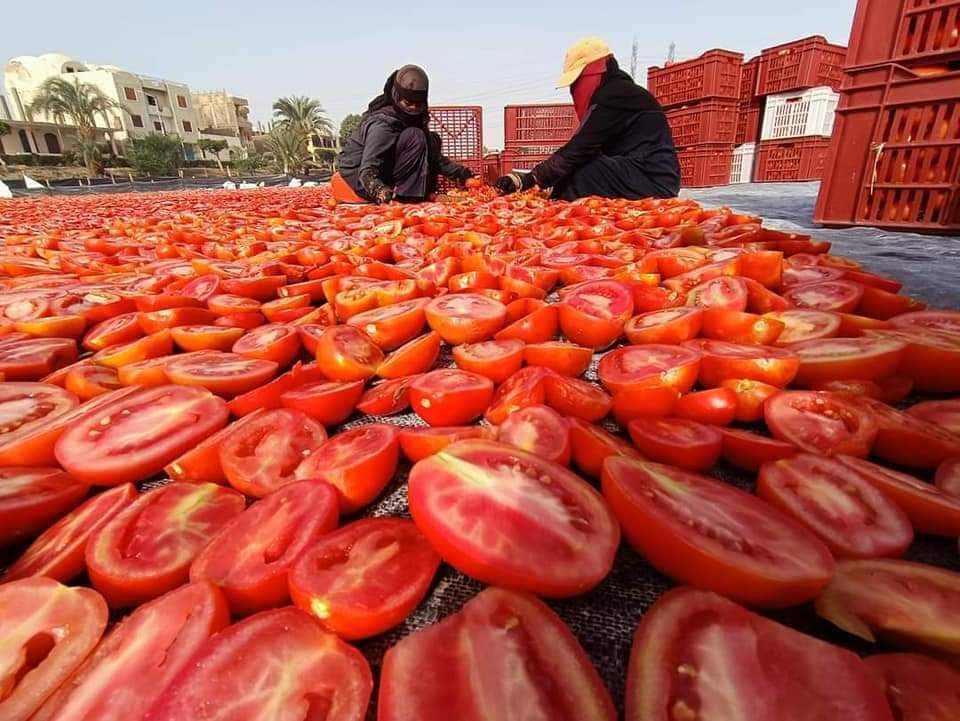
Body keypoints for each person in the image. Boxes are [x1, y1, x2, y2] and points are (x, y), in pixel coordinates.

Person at [495, 37, 680, 201]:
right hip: (643, 176)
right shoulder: (621, 92)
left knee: (583, 171)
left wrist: (530, 179)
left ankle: (556, 215)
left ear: (593, 71)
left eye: (576, 81)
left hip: (652, 182)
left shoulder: (616, 95)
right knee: (578, 168)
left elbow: (578, 149)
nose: (574, 89)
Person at [337, 65, 474, 203]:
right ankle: (407, 198)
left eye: (418, 105)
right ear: (397, 97)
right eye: (408, 104)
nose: (414, 109)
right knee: (415, 136)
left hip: (386, 171)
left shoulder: (415, 119)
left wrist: (463, 175)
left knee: (431, 139)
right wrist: (381, 192)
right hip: (361, 178)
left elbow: (434, 157)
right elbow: (367, 170)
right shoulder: (383, 125)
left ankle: (422, 194)